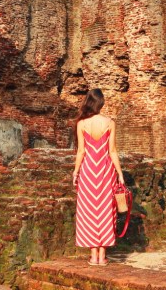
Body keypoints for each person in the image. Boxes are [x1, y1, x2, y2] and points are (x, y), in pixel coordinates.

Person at [72, 88, 125, 266]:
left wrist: (75, 171)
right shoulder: (109, 122)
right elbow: (112, 151)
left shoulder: (82, 124)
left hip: (88, 172)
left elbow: (81, 151)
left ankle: (93, 255)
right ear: (101, 103)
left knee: (88, 212)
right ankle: (103, 256)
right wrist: (120, 173)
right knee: (105, 211)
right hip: (105, 171)